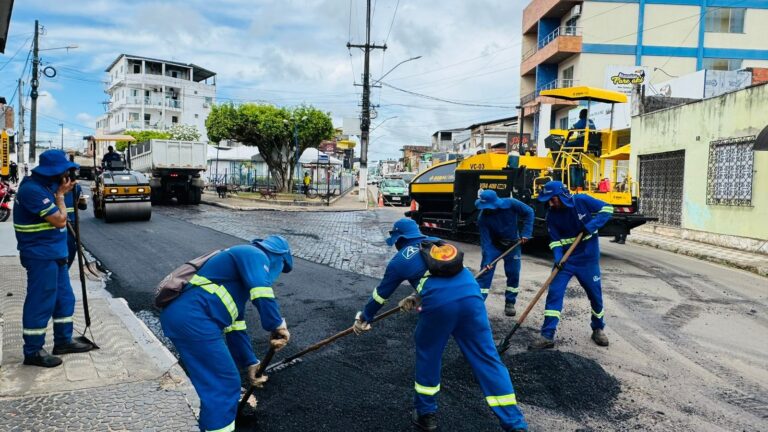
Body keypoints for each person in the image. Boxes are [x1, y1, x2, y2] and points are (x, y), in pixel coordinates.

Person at [353, 218, 528, 432]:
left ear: (400, 239)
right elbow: (444, 273)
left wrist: (364, 318)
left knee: (429, 353)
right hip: (471, 296)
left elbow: (380, 296)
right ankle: (515, 423)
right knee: (487, 357)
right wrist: (418, 295)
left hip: (440, 304)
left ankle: (426, 414)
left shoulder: (399, 260)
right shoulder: (437, 241)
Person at [160, 236, 293, 432]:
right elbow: (261, 290)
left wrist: (250, 363)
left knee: (216, 383)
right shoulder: (254, 253)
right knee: (223, 385)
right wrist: (277, 324)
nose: (277, 274)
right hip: (194, 319)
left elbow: (236, 329)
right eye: (281, 268)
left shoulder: (232, 285)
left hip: (188, 319)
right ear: (279, 258)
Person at [13, 149, 94, 368]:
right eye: (63, 171)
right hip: (40, 255)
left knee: (64, 299)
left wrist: (68, 193)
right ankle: (32, 351)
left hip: (56, 253)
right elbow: (59, 221)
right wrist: (60, 196)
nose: (66, 176)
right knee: (41, 302)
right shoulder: (32, 189)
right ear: (53, 171)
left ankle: (63, 341)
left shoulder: (48, 186)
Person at [528, 181, 613, 350]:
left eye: (552, 199)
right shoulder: (551, 216)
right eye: (548, 201)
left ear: (561, 196)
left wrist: (591, 226)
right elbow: (555, 241)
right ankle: (547, 335)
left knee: (595, 296)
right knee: (554, 294)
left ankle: (598, 328)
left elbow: (608, 208)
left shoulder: (581, 201)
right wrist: (558, 258)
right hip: (566, 261)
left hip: (587, 260)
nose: (550, 203)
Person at [475, 189, 534, 317]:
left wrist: (526, 233)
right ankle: (477, 304)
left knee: (513, 273)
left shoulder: (511, 203)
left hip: (513, 244)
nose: (486, 209)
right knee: (485, 272)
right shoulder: (482, 218)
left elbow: (529, 212)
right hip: (494, 246)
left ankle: (510, 302)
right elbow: (486, 241)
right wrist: (487, 259)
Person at [65, 155, 87, 267]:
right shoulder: (76, 187)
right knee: (68, 254)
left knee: (68, 254)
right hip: (67, 225)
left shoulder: (76, 188)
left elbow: (83, 206)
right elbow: (83, 207)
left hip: (69, 225)